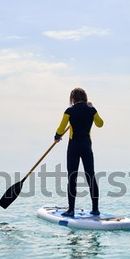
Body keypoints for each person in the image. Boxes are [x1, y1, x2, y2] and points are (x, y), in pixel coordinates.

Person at [54, 87, 104, 217]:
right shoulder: (91, 110)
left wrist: (57, 136)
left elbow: (60, 129)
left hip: (74, 147)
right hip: (87, 146)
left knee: (72, 178)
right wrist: (93, 108)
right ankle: (95, 209)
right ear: (85, 97)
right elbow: (100, 124)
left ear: (73, 99)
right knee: (90, 176)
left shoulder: (69, 111)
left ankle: (71, 210)